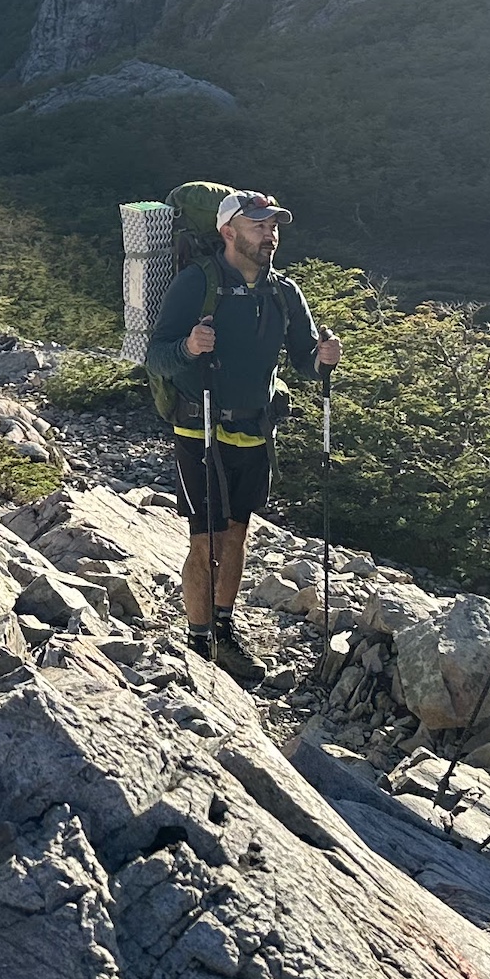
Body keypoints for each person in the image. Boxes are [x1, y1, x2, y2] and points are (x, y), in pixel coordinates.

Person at [143, 189, 340, 684]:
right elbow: (156, 355)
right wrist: (189, 347)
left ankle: (223, 632)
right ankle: (199, 640)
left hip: (253, 429)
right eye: (259, 226)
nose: (270, 235)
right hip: (199, 426)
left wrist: (323, 360)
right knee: (206, 537)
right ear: (228, 231)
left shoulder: (284, 292)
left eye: (273, 226)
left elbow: (303, 360)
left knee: (235, 534)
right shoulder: (196, 282)